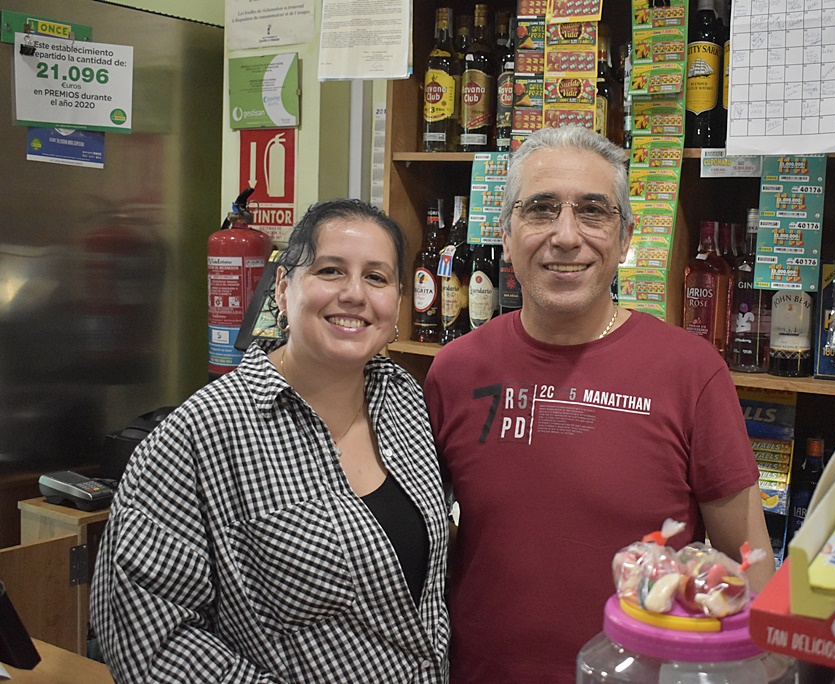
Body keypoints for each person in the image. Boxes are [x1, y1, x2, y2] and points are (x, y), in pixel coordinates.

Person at [423, 126, 773, 684]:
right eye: (540, 210)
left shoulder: (691, 371)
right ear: (506, 236)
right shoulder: (456, 370)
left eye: (593, 212)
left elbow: (750, 568)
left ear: (627, 236)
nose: (566, 236)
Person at [91, 199, 450, 682]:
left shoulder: (405, 399)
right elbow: (151, 638)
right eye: (330, 270)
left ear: (398, 303)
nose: (354, 294)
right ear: (282, 289)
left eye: (377, 278)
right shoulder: (200, 434)